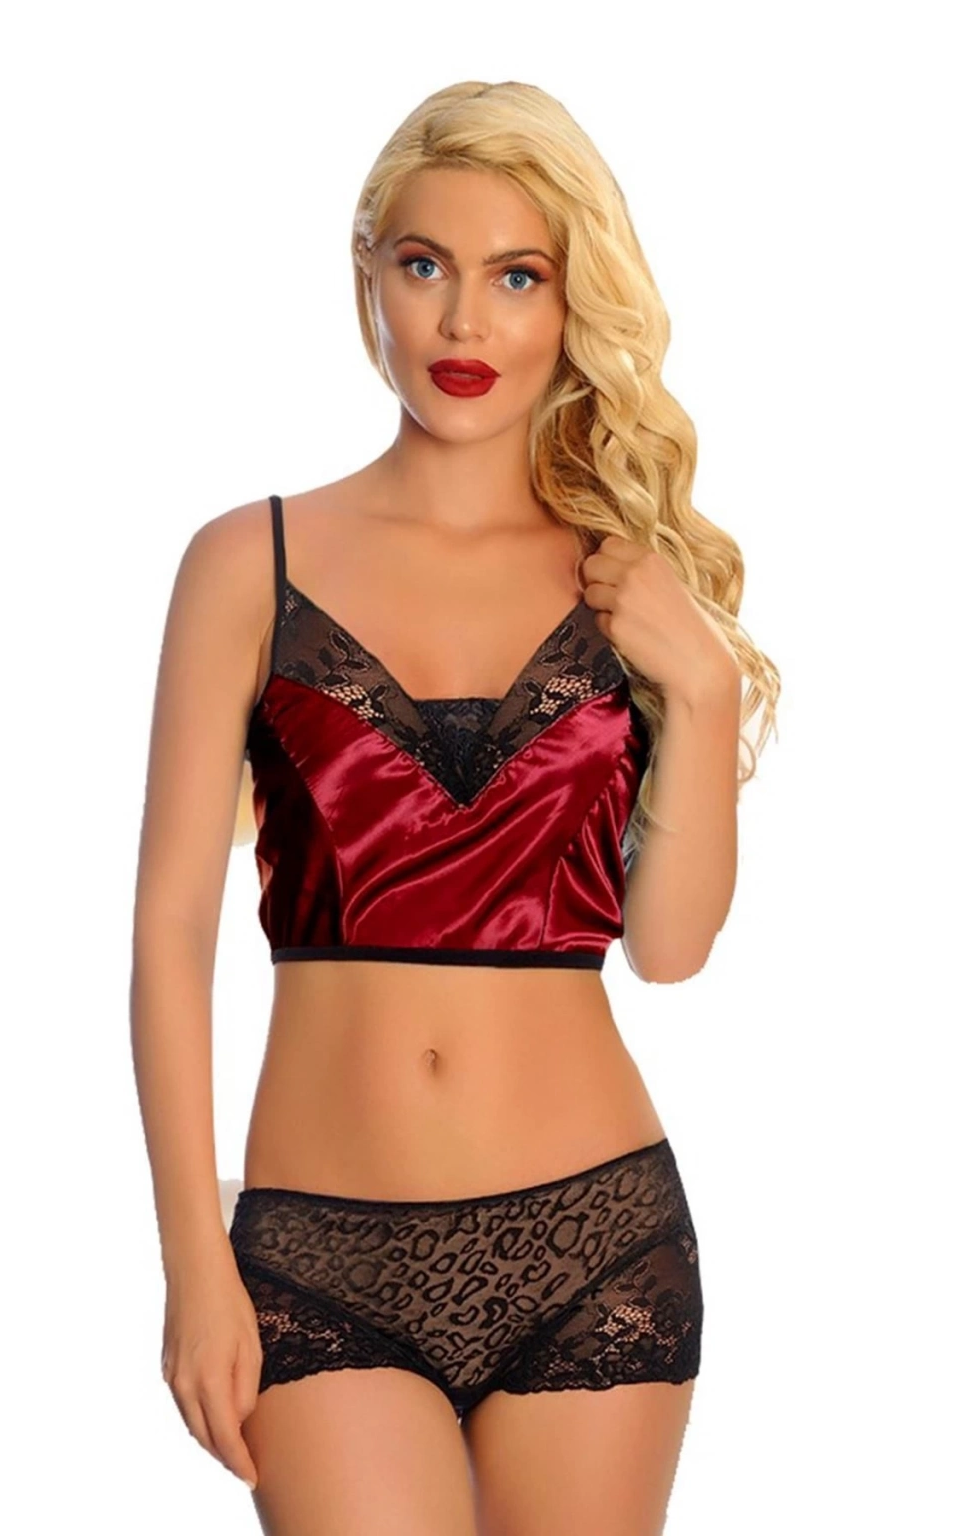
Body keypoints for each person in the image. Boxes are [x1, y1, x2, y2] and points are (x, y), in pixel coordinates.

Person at [131, 79, 779, 1536]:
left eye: (516, 276)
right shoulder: (249, 563)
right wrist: (192, 1262)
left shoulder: (625, 584)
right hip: (319, 1253)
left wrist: (704, 687)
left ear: (569, 300)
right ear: (368, 273)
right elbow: (170, 931)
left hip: (595, 1241)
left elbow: (669, 951)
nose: (464, 321)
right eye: (425, 265)